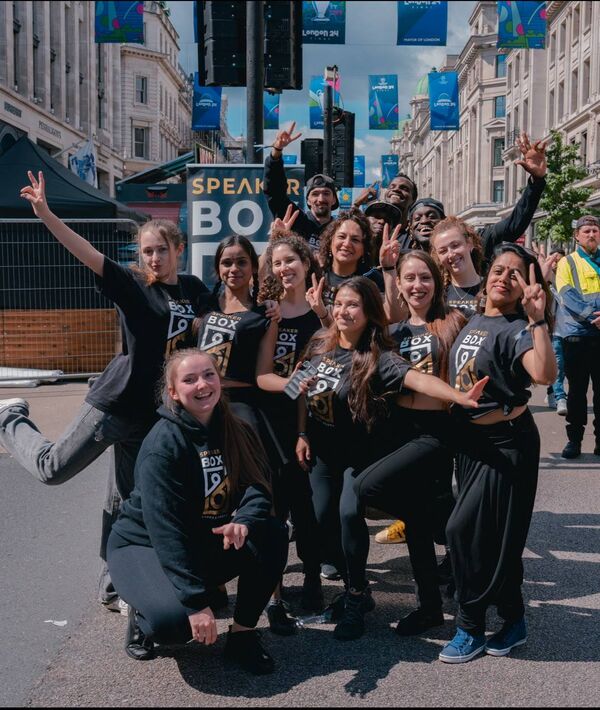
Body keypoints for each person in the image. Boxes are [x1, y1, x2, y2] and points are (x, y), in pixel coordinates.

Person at [0, 170, 209, 610]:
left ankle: (114, 586)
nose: (153, 258)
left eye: (161, 250)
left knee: (127, 504)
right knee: (53, 468)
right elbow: (86, 253)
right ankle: (11, 418)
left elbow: (227, 320)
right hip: (115, 406)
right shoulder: (132, 286)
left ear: (178, 250)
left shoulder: (194, 291)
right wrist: (46, 214)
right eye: (146, 251)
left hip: (153, 419)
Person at [296, 276, 487, 641]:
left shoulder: (377, 358)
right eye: (339, 303)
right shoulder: (320, 344)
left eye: (353, 305)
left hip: (358, 455)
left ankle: (353, 599)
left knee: (349, 512)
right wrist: (301, 433)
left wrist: (458, 397)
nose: (343, 310)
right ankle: (360, 589)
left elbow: (417, 379)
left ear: (369, 313)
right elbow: (296, 390)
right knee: (322, 519)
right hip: (321, 454)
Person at [107, 349, 288, 673]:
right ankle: (143, 611)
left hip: (200, 539)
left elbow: (259, 486)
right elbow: (166, 529)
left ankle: (243, 637)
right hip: (143, 545)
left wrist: (243, 520)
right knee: (173, 625)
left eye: (208, 375)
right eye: (189, 379)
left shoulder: (238, 428)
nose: (202, 384)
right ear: (173, 392)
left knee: (272, 532)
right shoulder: (163, 445)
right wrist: (194, 602)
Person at [439, 242, 557, 663]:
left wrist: (538, 318)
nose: (503, 277)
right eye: (499, 269)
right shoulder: (473, 320)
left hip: (507, 445)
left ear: (528, 285)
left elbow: (544, 374)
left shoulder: (518, 328)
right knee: (493, 538)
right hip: (470, 446)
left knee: (461, 530)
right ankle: (512, 616)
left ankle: (469, 626)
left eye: (515, 274)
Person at [354, 252, 467, 636]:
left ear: (437, 282)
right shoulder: (394, 332)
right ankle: (430, 608)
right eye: (409, 279)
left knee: (368, 488)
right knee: (417, 520)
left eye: (425, 278)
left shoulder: (453, 323)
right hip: (401, 428)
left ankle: (455, 533)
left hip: (439, 431)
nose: (417, 285)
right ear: (399, 285)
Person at [256, 233, 328, 632]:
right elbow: (261, 374)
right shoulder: (269, 312)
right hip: (271, 420)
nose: (284, 268)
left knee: (308, 509)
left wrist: (326, 317)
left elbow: (337, 357)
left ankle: (314, 580)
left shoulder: (321, 312)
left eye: (290, 260)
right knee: (273, 510)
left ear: (306, 262)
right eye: (277, 262)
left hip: (314, 419)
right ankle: (274, 596)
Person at [402, 133, 548, 254]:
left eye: (432, 216)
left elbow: (512, 226)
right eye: (417, 218)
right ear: (410, 227)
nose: (424, 221)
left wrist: (536, 183)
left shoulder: (470, 245)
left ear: (444, 222)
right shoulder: (401, 256)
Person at [555, 215, 600, 459]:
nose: (591, 235)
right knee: (577, 392)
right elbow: (566, 294)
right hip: (577, 336)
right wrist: (594, 316)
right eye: (586, 231)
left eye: (595, 230)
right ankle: (574, 440)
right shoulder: (567, 263)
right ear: (577, 236)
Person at [263, 122, 337, 253]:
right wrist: (277, 152)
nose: (320, 199)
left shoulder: (340, 229)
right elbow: (274, 191)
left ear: (334, 200)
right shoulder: (296, 221)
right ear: (308, 200)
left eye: (326, 193)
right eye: (315, 194)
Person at [318, 210, 403, 323]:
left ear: (364, 247)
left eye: (355, 240)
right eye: (341, 236)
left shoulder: (373, 279)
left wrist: (388, 268)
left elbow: (394, 317)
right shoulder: (316, 275)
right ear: (330, 241)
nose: (347, 244)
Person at [364, 200, 406, 265]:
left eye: (388, 220)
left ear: (392, 228)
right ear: (365, 220)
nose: (382, 221)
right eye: (377, 216)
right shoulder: (354, 247)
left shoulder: (395, 257)